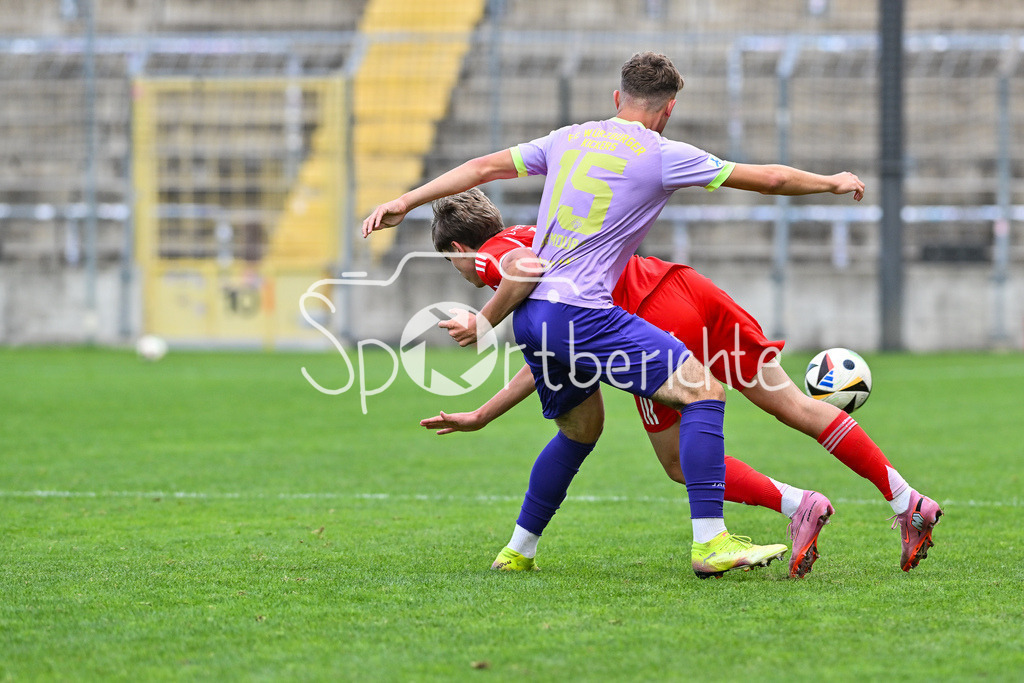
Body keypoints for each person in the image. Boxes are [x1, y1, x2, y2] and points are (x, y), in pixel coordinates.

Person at [363, 51, 868, 579]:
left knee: (580, 431)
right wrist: (830, 182)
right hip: (581, 313)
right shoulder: (663, 153)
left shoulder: (568, 138)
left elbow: (480, 168)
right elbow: (768, 179)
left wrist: (407, 201)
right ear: (668, 109)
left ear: (615, 98)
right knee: (705, 391)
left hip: (536, 323)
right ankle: (710, 541)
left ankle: (518, 550)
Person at [422, 188, 943, 575]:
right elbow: (549, 358)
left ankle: (784, 509)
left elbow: (519, 267)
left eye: (453, 264)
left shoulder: (497, 253)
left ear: (461, 247)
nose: (462, 274)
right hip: (685, 285)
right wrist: (485, 412)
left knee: (676, 461)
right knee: (794, 404)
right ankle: (905, 499)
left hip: (651, 321)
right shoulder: (544, 231)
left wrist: (480, 320)